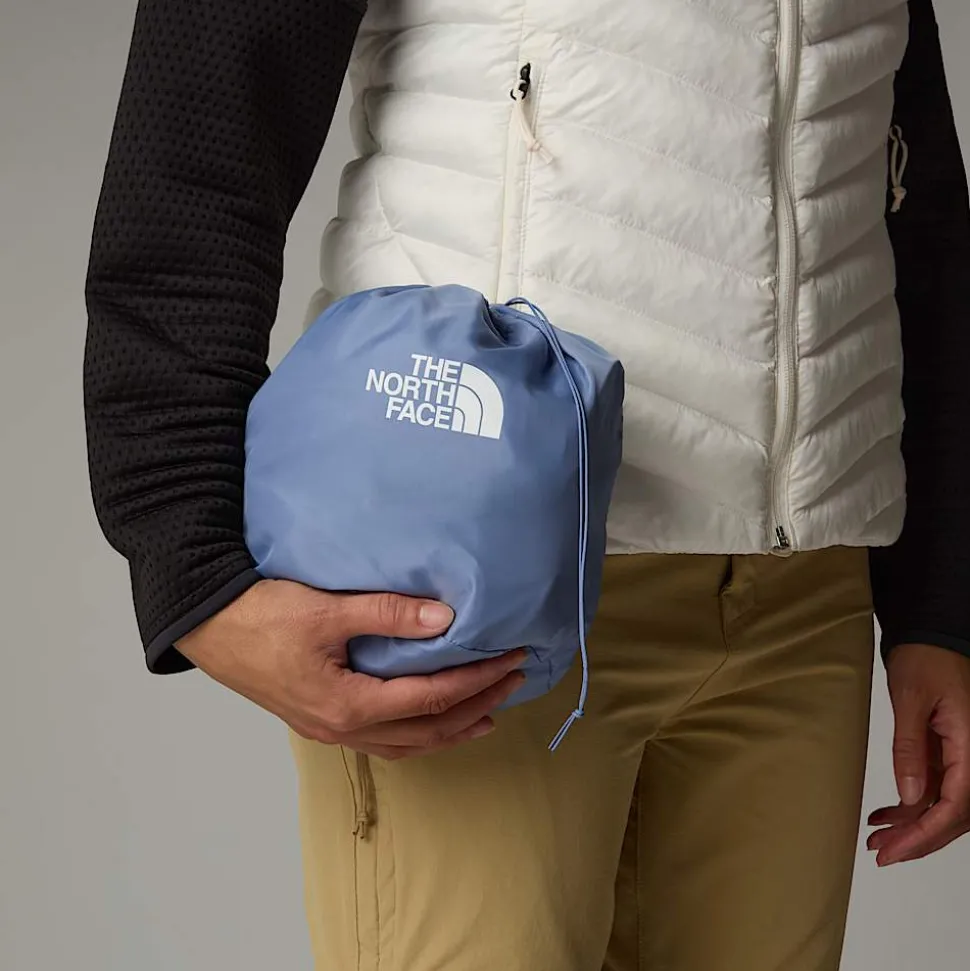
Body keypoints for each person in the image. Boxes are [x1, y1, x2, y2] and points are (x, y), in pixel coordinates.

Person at [83, 0, 970, 968]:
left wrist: (938, 606)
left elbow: (912, 211)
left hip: (801, 604)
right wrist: (192, 565)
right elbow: (196, 155)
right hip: (480, 593)